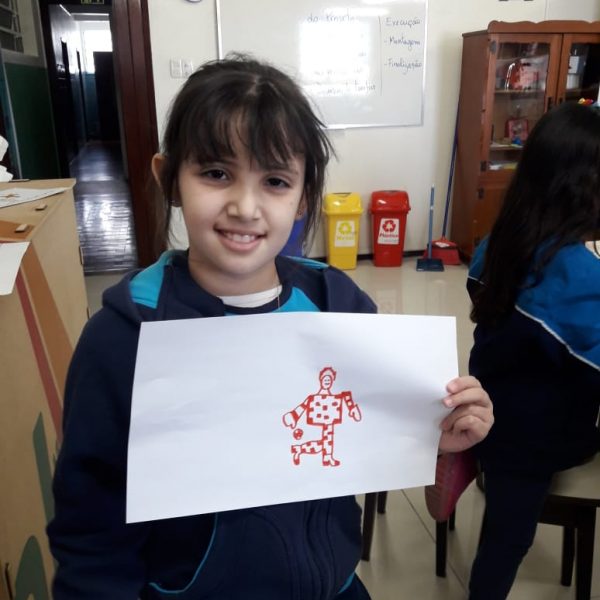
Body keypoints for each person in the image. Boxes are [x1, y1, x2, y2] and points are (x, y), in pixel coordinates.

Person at [47, 54, 493, 600]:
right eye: (216, 173)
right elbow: (90, 530)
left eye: (276, 181)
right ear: (169, 180)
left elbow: (378, 439)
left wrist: (436, 438)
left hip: (334, 588)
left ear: (303, 198)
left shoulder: (337, 304)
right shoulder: (124, 336)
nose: (244, 206)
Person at [466, 101, 600, 600]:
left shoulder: (497, 241)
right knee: (508, 542)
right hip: (533, 441)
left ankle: (474, 467)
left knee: (503, 530)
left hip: (487, 405)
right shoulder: (580, 277)